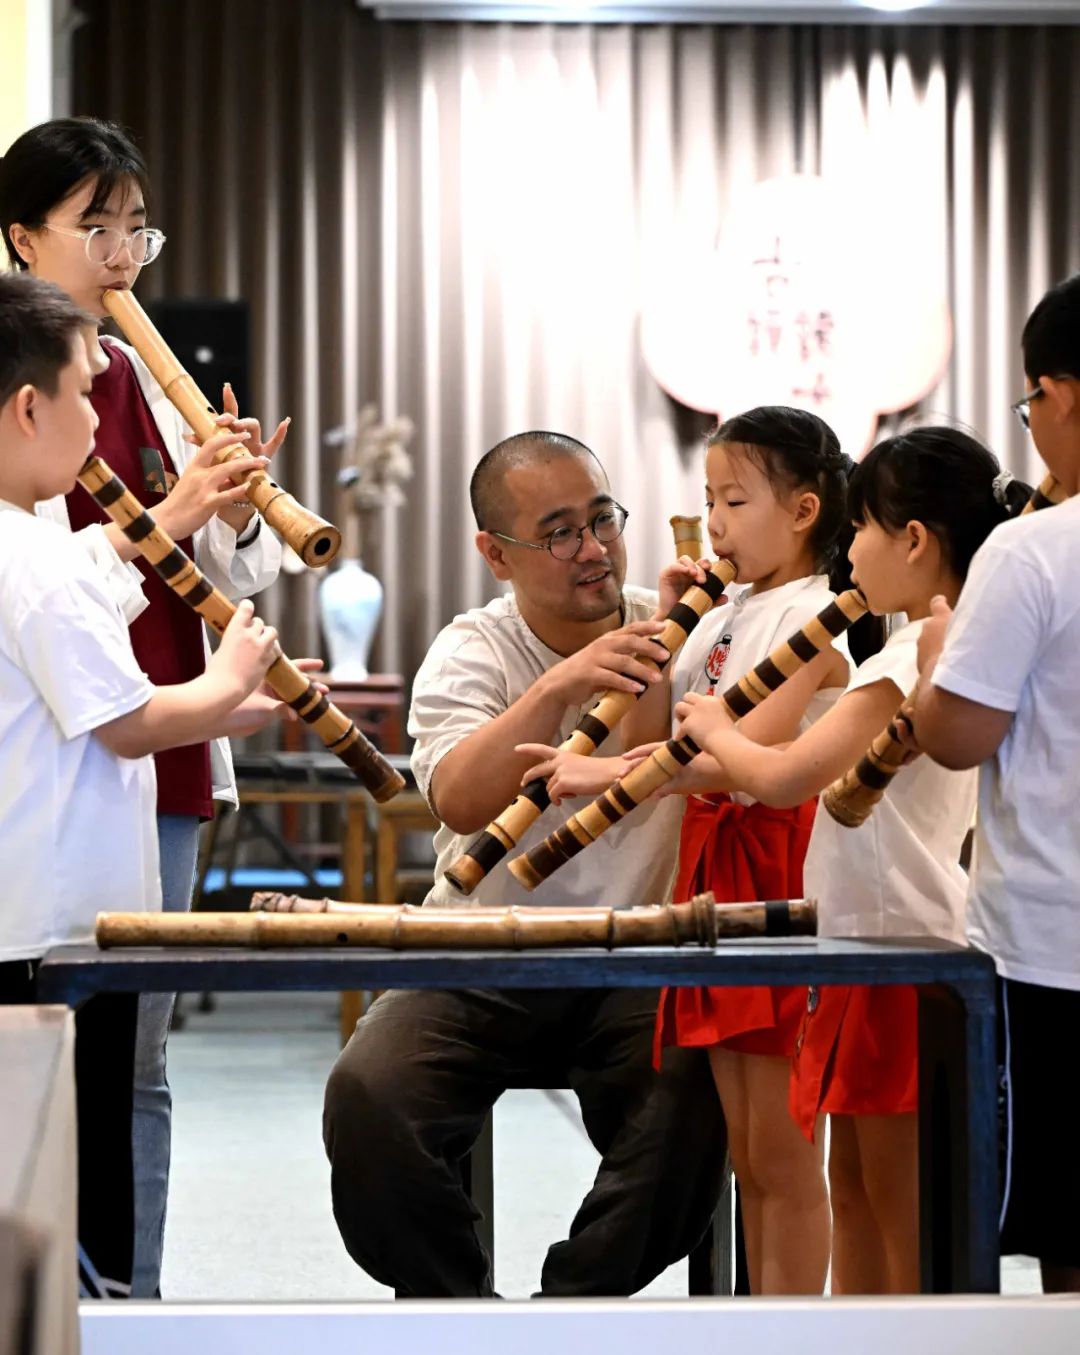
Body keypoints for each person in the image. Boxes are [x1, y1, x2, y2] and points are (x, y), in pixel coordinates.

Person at [323, 430, 726, 1298]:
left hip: (637, 956)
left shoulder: (687, 629)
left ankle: (571, 1308)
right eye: (558, 532)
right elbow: (460, 801)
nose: (592, 549)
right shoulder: (473, 650)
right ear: (494, 554)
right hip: (479, 951)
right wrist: (556, 685)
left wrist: (650, 659)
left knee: (698, 1092)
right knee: (370, 1094)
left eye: (601, 519)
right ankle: (458, 1308)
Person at [0, 115, 284, 1296]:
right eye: (95, 226)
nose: (122, 252)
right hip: (92, 731)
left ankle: (130, 1291)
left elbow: (242, 572)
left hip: (143, 743)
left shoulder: (149, 377)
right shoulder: (29, 371)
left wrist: (239, 503)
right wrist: (217, 694)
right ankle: (86, 1294)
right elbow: (69, 591)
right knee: (72, 1042)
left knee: (134, 1051)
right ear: (22, 238)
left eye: (136, 228)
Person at [675, 426, 1030, 1294]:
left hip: (908, 950)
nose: (850, 547)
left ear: (913, 540)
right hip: (865, 947)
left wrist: (719, 726)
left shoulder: (913, 656)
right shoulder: (907, 647)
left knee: (899, 1202)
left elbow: (787, 775)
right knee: (856, 1191)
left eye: (864, 527)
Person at [522, 406, 854, 1295]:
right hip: (707, 869)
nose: (714, 522)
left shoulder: (818, 614)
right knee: (745, 1146)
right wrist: (672, 628)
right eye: (709, 498)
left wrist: (599, 778)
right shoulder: (726, 607)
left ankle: (792, 1333)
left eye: (734, 500)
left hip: (775, 866)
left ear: (803, 511)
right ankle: (761, 1327)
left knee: (784, 1154)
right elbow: (666, 731)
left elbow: (739, 757)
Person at [910, 273, 1080, 1294]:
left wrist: (936, 653)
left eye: (1032, 407)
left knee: (1075, 1229)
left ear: (1061, 394)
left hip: (1059, 948)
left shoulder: (1033, 548)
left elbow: (958, 735)